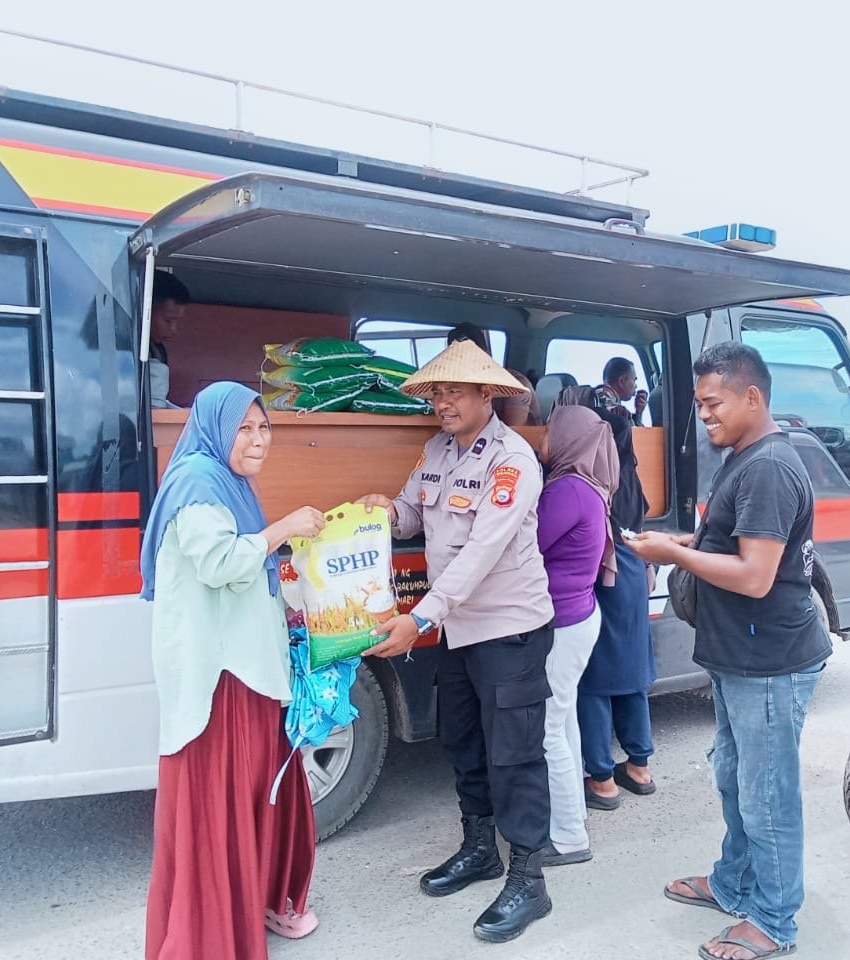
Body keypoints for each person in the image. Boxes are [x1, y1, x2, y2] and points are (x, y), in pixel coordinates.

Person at [629, 342, 830, 960]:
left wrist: (672, 554)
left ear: (752, 396)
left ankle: (773, 920)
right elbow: (730, 540)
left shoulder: (768, 467)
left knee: (767, 794)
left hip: (770, 661)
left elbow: (755, 575)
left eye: (713, 403)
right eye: (699, 404)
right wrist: (682, 540)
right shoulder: (744, 457)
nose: (704, 415)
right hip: (737, 655)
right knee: (735, 778)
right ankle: (734, 883)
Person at [356, 339, 556, 943]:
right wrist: (386, 512)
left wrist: (419, 619)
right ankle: (480, 849)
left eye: (454, 392)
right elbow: (415, 512)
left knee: (514, 754)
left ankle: (529, 878)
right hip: (460, 629)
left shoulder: (512, 461)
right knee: (463, 739)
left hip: (509, 629)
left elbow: (480, 554)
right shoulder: (436, 450)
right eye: (437, 392)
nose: (442, 402)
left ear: (485, 394)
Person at [140, 381, 327, 960]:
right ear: (216, 429)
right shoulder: (199, 483)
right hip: (219, 676)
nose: (257, 439)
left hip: (244, 665)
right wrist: (285, 529)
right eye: (243, 429)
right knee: (222, 801)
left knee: (254, 793)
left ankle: (258, 902)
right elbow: (220, 563)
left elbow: (248, 568)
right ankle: (211, 934)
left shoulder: (229, 481)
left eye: (263, 427)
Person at [533, 404, 620, 866]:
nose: (541, 438)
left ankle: (568, 837)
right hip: (578, 616)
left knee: (549, 728)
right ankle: (570, 818)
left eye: (549, 430)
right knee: (563, 721)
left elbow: (527, 543)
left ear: (568, 438)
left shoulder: (567, 489)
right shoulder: (589, 485)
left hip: (563, 623)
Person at [573, 405, 658, 810]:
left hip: (604, 574)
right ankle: (639, 768)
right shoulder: (631, 476)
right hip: (635, 571)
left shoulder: (593, 478)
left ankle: (602, 780)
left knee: (594, 681)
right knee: (631, 673)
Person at [446, 322, 541, 425]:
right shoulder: (464, 387)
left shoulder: (517, 385)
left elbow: (512, 430)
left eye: (469, 357)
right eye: (457, 359)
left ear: (486, 354)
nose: (463, 365)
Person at [149, 271, 189, 409]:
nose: (173, 329)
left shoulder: (157, 349)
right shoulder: (124, 349)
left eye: (177, 321)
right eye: (168, 320)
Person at [593, 356, 648, 426]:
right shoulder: (618, 412)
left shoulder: (594, 397)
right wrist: (637, 419)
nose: (635, 386)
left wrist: (638, 413)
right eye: (634, 380)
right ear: (622, 381)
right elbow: (633, 432)